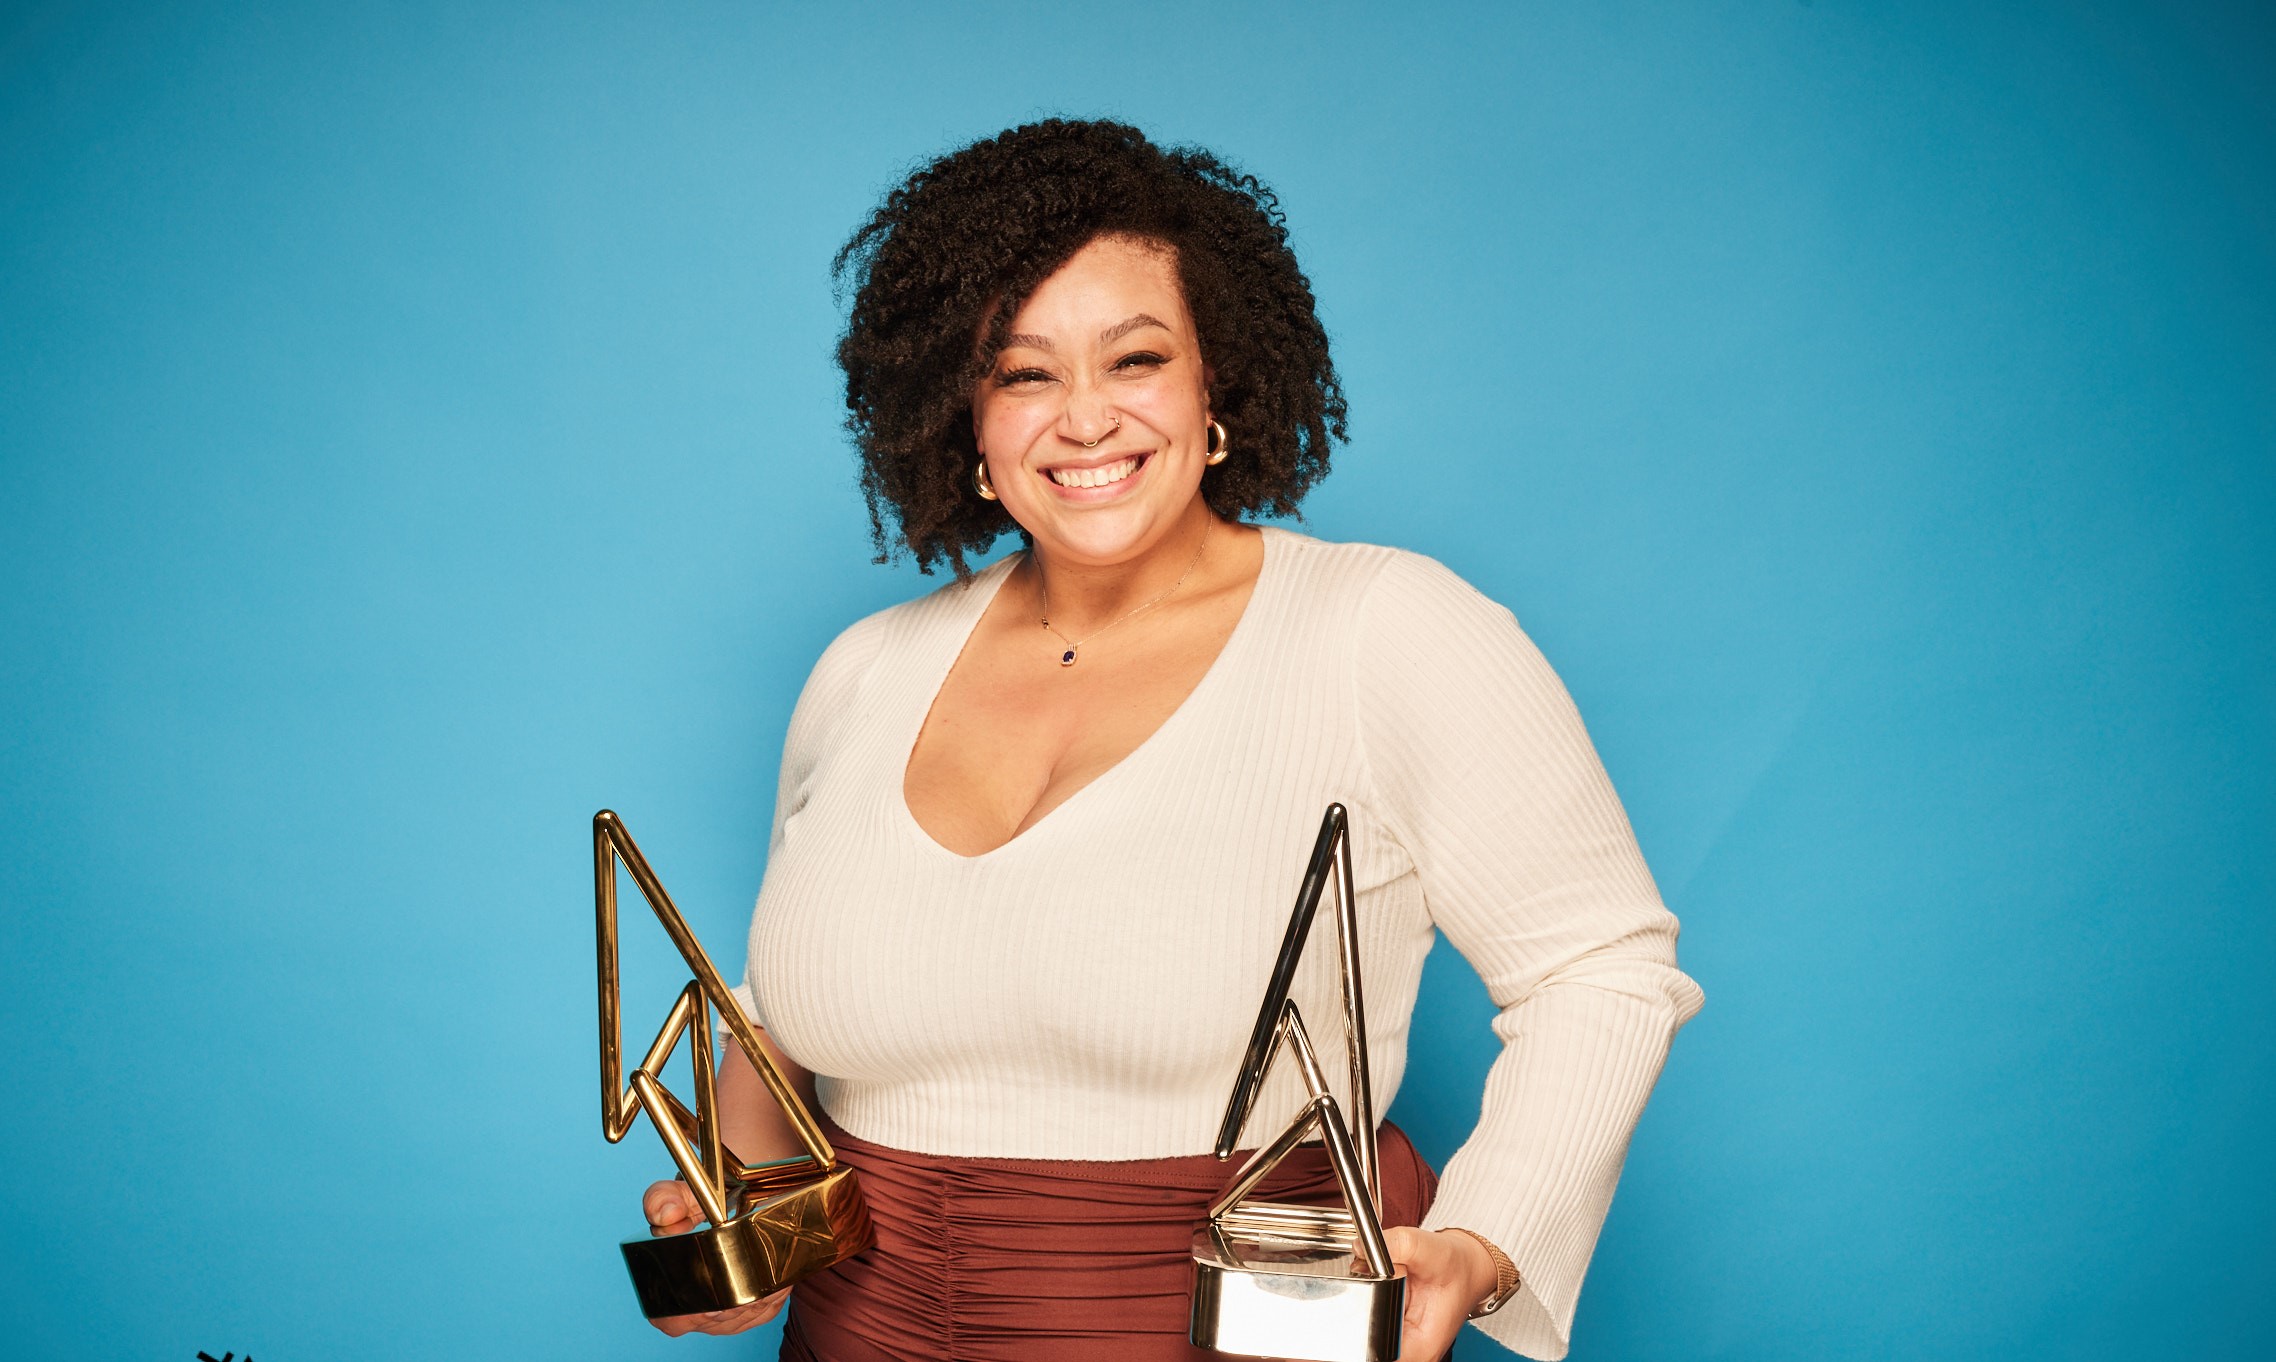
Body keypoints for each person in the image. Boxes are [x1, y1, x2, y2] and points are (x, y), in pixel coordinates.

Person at [638, 119, 1703, 1361]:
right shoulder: (864, 670)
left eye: (1134, 359)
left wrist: (1483, 1236)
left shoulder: (1385, 629)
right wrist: (751, 1209)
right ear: (962, 417)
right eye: (1024, 374)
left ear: (1215, 388)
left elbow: (1597, 966)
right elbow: (779, 1016)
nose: (1084, 418)